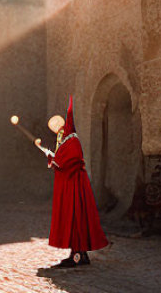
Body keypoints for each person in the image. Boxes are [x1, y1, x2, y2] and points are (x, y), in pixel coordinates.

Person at [47, 97, 108, 268]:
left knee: (76, 218)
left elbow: (72, 161)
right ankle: (77, 254)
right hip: (70, 185)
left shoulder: (72, 141)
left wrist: (56, 160)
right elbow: (62, 161)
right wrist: (53, 158)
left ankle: (78, 255)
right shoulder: (67, 141)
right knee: (73, 218)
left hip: (74, 186)